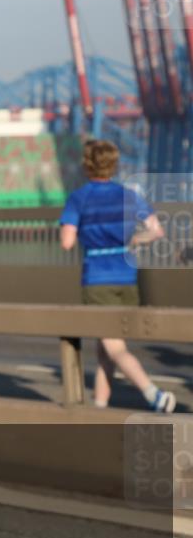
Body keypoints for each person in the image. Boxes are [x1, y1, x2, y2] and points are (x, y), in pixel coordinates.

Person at [59, 139, 173, 413]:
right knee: (105, 349)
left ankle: (154, 395)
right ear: (114, 164)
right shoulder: (129, 195)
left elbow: (67, 242)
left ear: (87, 165)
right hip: (127, 279)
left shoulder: (79, 198)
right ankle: (99, 407)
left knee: (114, 348)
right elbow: (157, 231)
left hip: (97, 280)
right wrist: (134, 239)